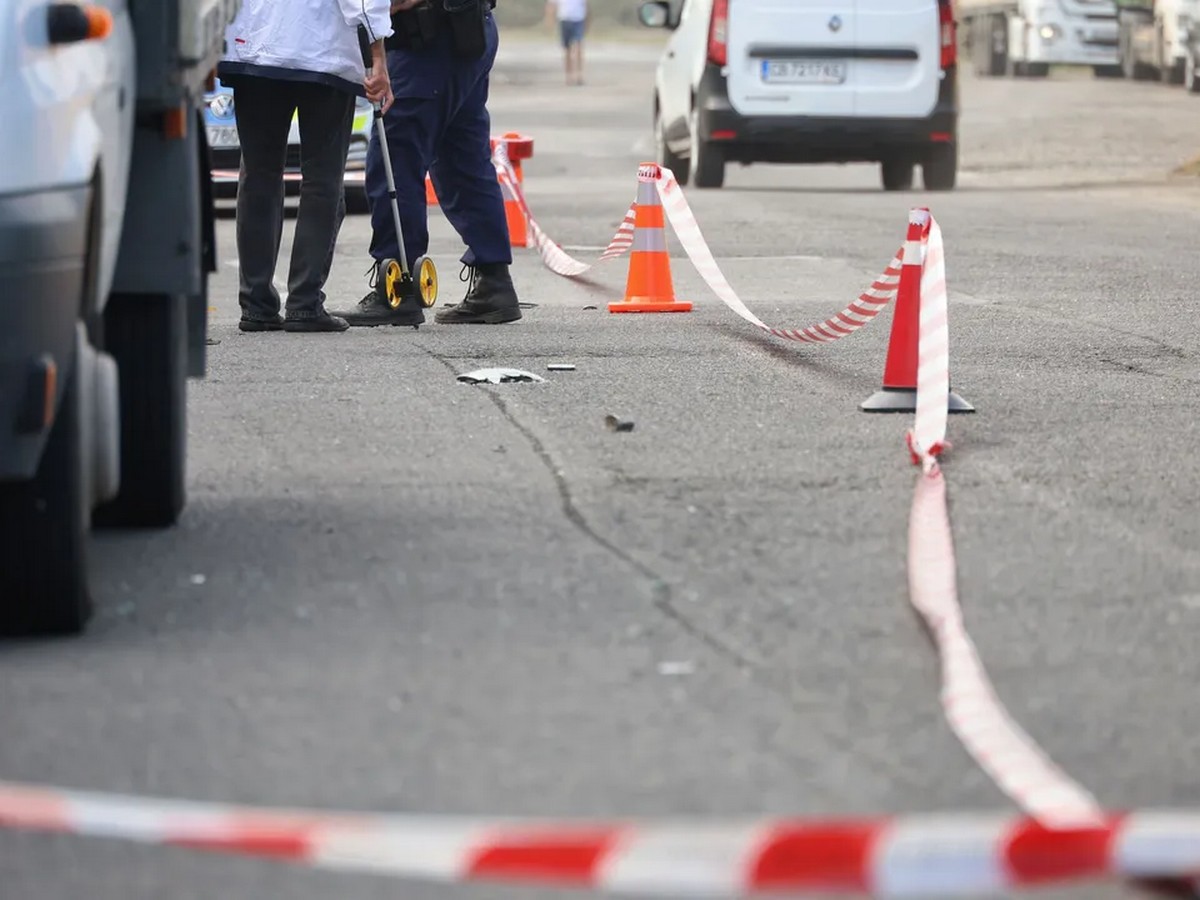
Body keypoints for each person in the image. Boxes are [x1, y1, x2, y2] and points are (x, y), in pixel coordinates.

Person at [333, 0, 522, 327]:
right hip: (466, 29)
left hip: (428, 42)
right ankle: (494, 282)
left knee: (395, 160)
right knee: (462, 162)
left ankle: (398, 287)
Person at [218, 0, 395, 333]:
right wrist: (378, 57)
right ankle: (304, 302)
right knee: (322, 179)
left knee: (258, 175)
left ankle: (256, 305)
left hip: (255, 49)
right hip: (322, 52)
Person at [546, 0, 588, 86]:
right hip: (564, 19)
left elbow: (585, 5)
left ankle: (579, 75)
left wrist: (587, 21)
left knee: (578, 46)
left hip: (578, 19)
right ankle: (569, 76)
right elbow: (551, 5)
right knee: (567, 49)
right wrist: (550, 20)